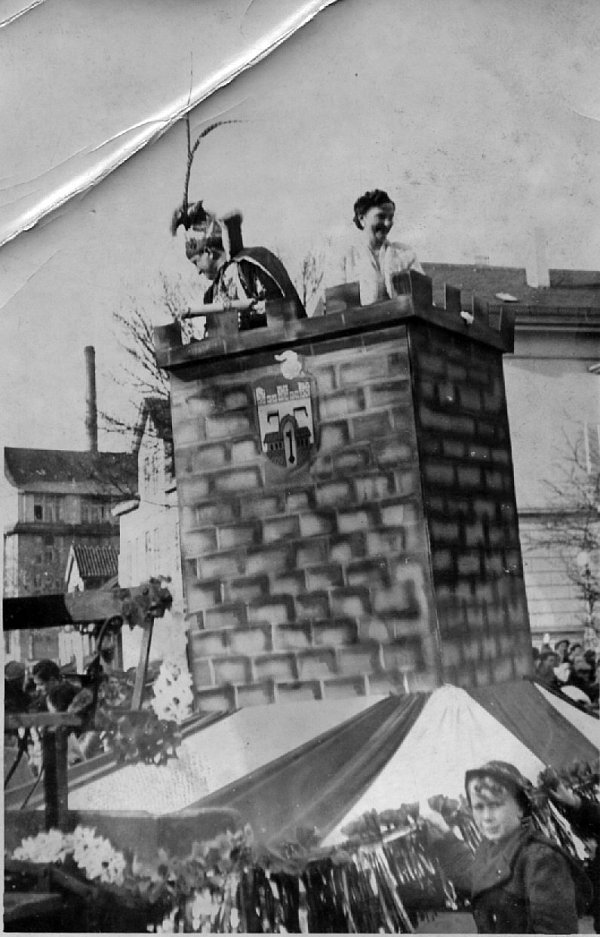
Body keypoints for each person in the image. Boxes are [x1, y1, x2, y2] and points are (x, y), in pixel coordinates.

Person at [425, 760, 591, 933]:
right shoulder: (490, 848)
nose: (487, 817)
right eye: (479, 807)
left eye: (496, 805)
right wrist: (446, 836)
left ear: (520, 808)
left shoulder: (541, 859)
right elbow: (472, 877)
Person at [173, 201, 304, 329]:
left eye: (196, 262)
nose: (198, 271)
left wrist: (247, 320)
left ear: (209, 252)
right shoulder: (210, 296)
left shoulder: (251, 265)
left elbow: (280, 311)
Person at [329, 189, 424, 306]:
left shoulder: (406, 254)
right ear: (362, 218)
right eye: (381, 216)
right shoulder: (345, 256)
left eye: (391, 217)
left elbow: (423, 300)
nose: (387, 223)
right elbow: (336, 307)